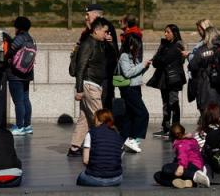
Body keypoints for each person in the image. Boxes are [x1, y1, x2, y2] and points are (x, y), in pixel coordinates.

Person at [69, 17, 113, 157]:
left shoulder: (99, 43)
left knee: (85, 118)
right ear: (96, 30)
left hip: (93, 85)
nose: (107, 34)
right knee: (100, 117)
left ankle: (75, 147)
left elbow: (112, 59)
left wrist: (110, 44)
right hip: (90, 85)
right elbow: (81, 67)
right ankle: (103, 146)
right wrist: (79, 89)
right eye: (105, 32)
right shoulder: (88, 44)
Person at [147, 24, 186, 140]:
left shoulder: (178, 45)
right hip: (164, 79)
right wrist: (159, 57)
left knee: (173, 102)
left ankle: (176, 128)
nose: (165, 34)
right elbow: (155, 61)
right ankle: (166, 127)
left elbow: (164, 59)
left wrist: (159, 58)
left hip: (174, 79)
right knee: (165, 103)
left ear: (174, 33)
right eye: (165, 32)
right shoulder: (164, 44)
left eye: (168, 32)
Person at [117, 25, 151, 153]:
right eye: (136, 46)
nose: (138, 49)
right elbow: (127, 73)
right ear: (131, 45)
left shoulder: (134, 57)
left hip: (135, 88)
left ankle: (123, 139)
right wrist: (142, 65)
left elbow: (136, 73)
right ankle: (134, 139)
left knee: (129, 115)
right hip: (129, 89)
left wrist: (145, 67)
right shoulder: (124, 56)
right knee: (143, 114)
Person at [77, 109, 124, 187]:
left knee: (81, 176)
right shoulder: (117, 135)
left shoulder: (91, 133)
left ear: (97, 119)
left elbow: (85, 160)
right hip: (116, 179)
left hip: (94, 178)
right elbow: (118, 159)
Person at [5, 16, 35, 136]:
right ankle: (27, 125)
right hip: (27, 73)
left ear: (18, 27)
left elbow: (10, 52)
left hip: (15, 74)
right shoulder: (30, 38)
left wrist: (5, 58)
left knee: (18, 101)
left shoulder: (19, 38)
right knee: (25, 99)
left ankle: (19, 126)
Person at [153, 123, 205, 188]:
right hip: (198, 166)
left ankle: (194, 176)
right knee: (158, 175)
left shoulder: (181, 144)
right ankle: (189, 182)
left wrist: (181, 166)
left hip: (191, 166)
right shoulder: (192, 140)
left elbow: (183, 156)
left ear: (171, 137)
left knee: (166, 169)